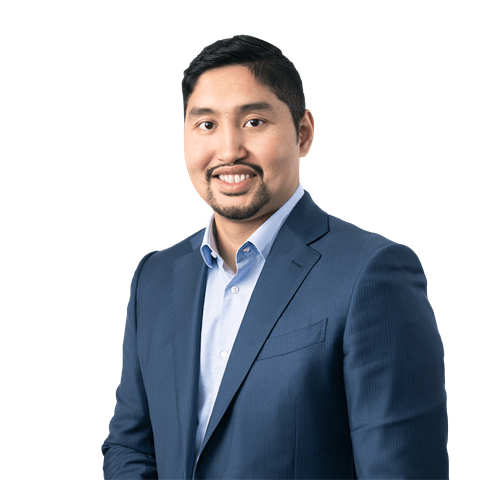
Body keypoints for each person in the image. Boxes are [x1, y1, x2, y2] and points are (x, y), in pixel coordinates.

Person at [101, 35, 448, 479]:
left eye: (254, 121)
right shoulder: (155, 277)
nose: (229, 150)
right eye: (206, 124)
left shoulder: (372, 272)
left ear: (303, 133)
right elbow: (130, 446)